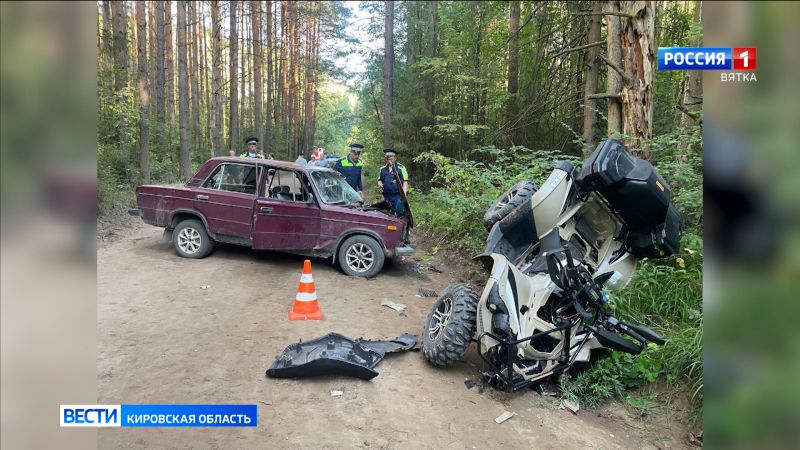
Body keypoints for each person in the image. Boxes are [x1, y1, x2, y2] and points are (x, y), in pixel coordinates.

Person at [377, 148, 409, 215]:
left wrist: (404, 196)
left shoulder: (401, 168)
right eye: (388, 158)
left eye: (391, 158)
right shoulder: (382, 169)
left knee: (399, 213)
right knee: (387, 213)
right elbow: (379, 179)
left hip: (397, 196)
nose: (389, 160)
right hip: (386, 196)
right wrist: (379, 183)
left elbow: (405, 182)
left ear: (395, 158)